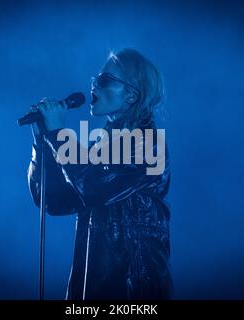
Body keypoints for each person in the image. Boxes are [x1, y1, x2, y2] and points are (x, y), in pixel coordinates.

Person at [28, 48, 172, 300]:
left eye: (104, 80)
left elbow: (93, 189)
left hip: (132, 285)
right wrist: (43, 141)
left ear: (131, 95)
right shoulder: (100, 148)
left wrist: (58, 135)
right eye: (95, 79)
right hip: (92, 284)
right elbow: (52, 201)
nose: (94, 86)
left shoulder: (147, 143)